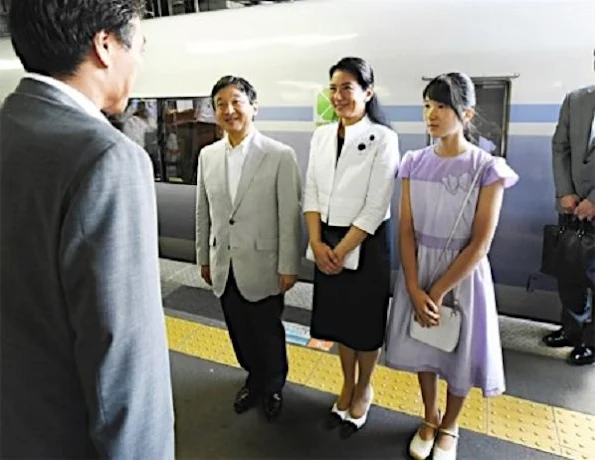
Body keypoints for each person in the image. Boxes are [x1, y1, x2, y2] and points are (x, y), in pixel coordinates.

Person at [0, 1, 175, 459]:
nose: (140, 61)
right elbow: (125, 363)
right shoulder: (106, 158)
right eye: (139, 45)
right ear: (103, 45)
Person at [384, 73, 518, 460]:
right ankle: (429, 415)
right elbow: (405, 229)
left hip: (462, 275)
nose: (432, 114)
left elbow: (481, 242)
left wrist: (436, 291)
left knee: (459, 350)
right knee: (426, 347)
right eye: (427, 105)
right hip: (419, 269)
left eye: (442, 106)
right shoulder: (413, 163)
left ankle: (451, 426)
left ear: (467, 113)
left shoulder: (487, 168)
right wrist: (412, 285)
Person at [303, 57, 400, 437]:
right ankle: (346, 384)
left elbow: (377, 205)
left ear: (367, 92)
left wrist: (340, 250)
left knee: (364, 324)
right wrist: (315, 241)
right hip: (325, 238)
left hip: (367, 241)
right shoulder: (321, 135)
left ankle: (364, 388)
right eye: (334, 88)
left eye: (347, 87)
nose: (339, 96)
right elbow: (311, 189)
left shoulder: (384, 138)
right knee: (339, 322)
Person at [195, 75, 302, 421]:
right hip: (224, 263)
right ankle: (254, 377)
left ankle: (273, 384)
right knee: (238, 330)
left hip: (264, 264)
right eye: (220, 104)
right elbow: (203, 212)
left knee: (268, 331)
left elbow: (289, 216)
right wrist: (203, 257)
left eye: (236, 101)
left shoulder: (279, 155)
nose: (229, 110)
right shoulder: (207, 156)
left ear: (254, 107)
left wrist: (289, 264)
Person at [542, 79, 595, 366]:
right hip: (571, 205)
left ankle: (592, 341)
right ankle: (572, 329)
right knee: (570, 269)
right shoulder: (575, 99)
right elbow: (559, 147)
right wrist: (564, 191)